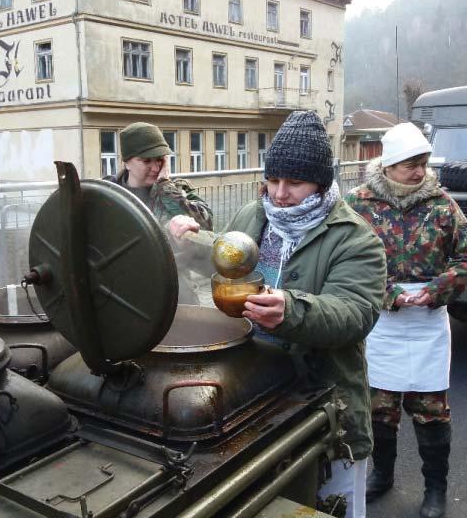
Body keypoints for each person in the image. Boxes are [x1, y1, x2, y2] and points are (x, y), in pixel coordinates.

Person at [169, 110, 387, 518]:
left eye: (295, 183)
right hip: (255, 396)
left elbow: (355, 312)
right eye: (273, 179)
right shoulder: (255, 215)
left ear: (322, 184)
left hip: (324, 405)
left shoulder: (356, 239)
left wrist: (292, 309)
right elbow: (228, 256)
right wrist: (191, 240)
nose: (280, 193)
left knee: (330, 506)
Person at [345, 122, 467, 518]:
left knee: (431, 410)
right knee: (379, 408)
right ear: (388, 165)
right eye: (410, 164)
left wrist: (439, 288)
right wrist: (388, 293)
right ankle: (382, 475)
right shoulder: (358, 204)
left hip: (427, 320)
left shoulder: (441, 204)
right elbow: (347, 260)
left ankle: (435, 490)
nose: (419, 171)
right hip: (381, 321)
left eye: (423, 163)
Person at [106, 122, 213, 304]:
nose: (155, 168)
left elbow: (206, 225)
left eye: (159, 160)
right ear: (127, 162)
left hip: (174, 293)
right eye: (146, 161)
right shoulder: (108, 195)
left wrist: (165, 186)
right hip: (122, 295)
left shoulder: (175, 190)